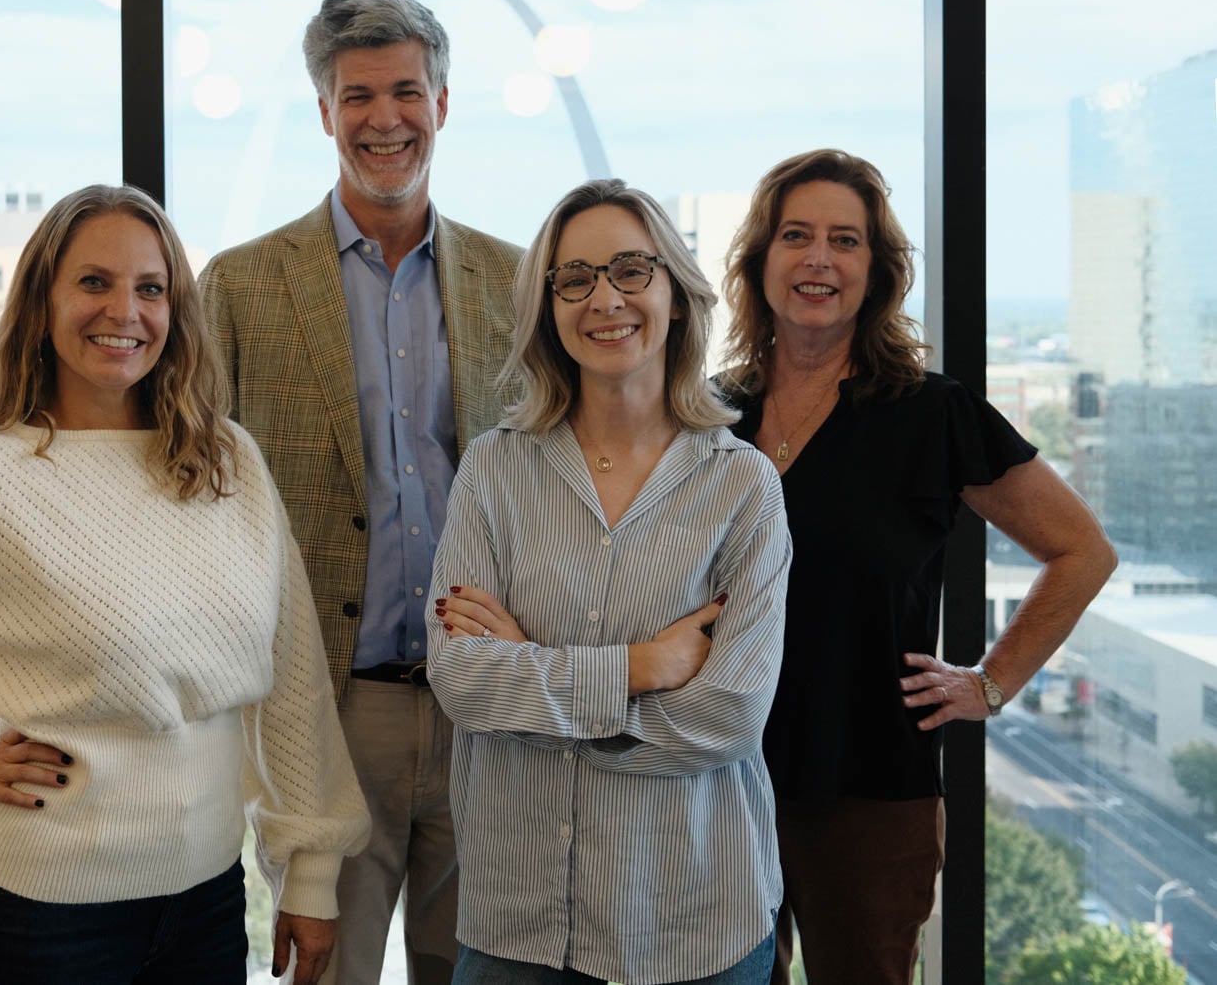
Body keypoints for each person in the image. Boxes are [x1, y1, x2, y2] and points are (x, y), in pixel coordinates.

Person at [0, 184, 370, 985]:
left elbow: (291, 683)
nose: (125, 309)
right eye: (93, 282)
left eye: (151, 288)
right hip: (34, 915)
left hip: (207, 904)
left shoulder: (227, 463)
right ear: (42, 300)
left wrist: (311, 873)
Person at [718, 149, 1118, 985]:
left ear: (877, 271)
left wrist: (992, 681)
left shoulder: (932, 413)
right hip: (715, 777)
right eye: (795, 235)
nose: (818, 258)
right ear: (760, 262)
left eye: (845, 240)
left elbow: (1082, 551)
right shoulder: (712, 413)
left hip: (870, 789)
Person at [198, 0, 522, 984]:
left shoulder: (517, 283)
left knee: (474, 968)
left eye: (407, 91)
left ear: (444, 101)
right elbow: (196, 495)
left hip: (484, 708)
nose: (386, 118)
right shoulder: (242, 285)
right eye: (359, 96)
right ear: (326, 111)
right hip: (327, 709)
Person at [427, 179, 791, 985]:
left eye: (632, 269)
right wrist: (639, 668)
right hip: (515, 928)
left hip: (694, 920)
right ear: (548, 306)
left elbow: (728, 714)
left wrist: (536, 678)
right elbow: (462, 679)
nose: (605, 298)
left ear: (675, 291)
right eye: (575, 277)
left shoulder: (743, 487)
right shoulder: (493, 469)